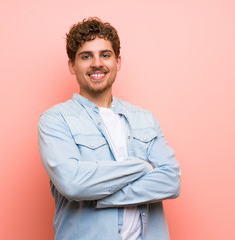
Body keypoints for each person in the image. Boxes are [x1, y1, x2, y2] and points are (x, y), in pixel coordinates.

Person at [38, 17, 181, 240]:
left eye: (105, 55)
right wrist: (141, 167)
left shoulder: (144, 118)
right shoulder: (55, 120)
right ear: (72, 65)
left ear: (118, 62)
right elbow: (72, 184)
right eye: (86, 56)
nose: (97, 63)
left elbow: (171, 181)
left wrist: (99, 197)